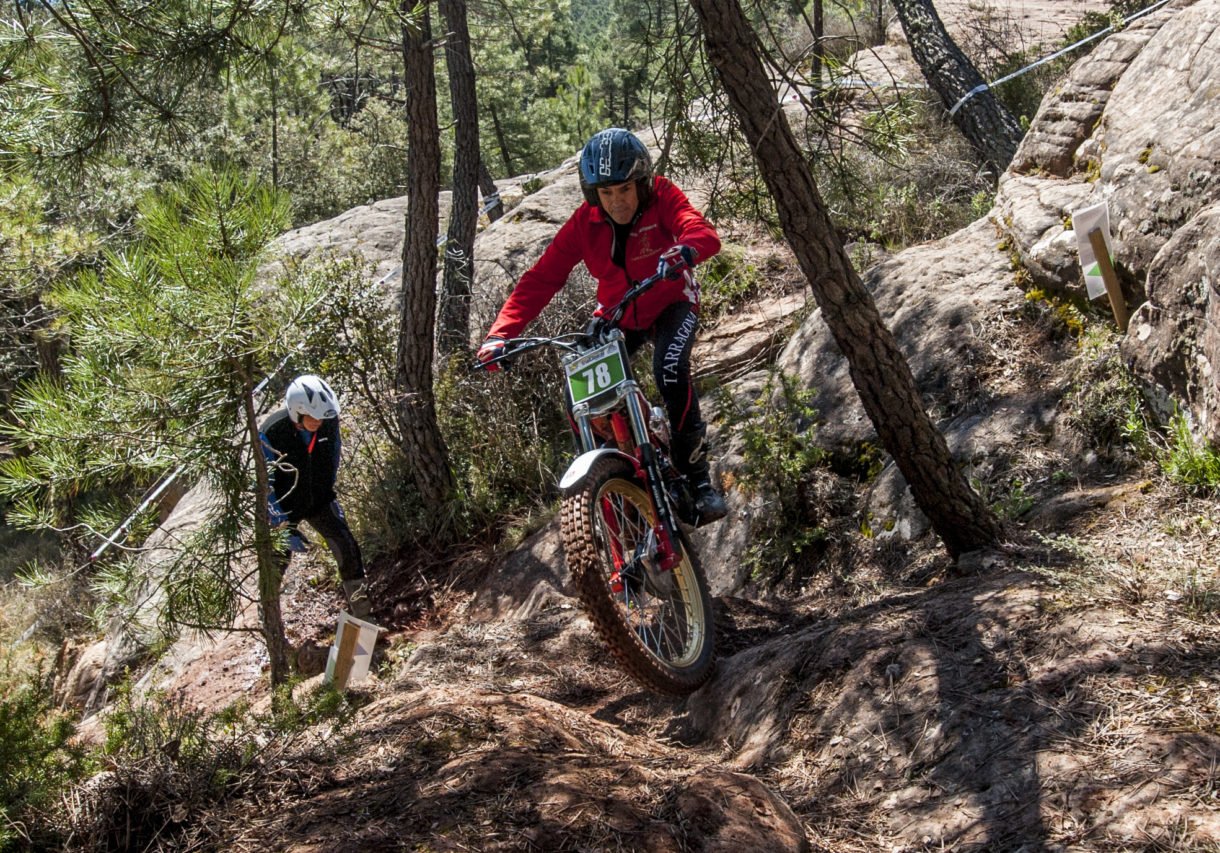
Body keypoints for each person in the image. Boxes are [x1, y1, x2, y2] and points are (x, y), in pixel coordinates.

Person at [477, 127, 728, 524]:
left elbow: (700, 230)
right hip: (617, 314)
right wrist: (500, 335)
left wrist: (686, 248)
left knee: (669, 370)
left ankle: (698, 481)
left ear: (642, 183)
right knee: (576, 396)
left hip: (672, 301)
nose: (617, 202)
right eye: (606, 193)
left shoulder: (663, 194)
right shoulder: (584, 223)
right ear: (593, 194)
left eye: (625, 190)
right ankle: (613, 489)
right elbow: (541, 278)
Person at [259, 374, 371, 619]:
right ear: (296, 411)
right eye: (313, 416)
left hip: (319, 500)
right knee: (275, 565)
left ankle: (364, 616)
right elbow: (263, 483)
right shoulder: (272, 431)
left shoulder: (328, 423)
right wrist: (278, 520)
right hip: (284, 508)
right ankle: (268, 623)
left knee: (347, 547)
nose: (319, 421)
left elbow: (333, 457)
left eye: (323, 416)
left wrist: (326, 492)